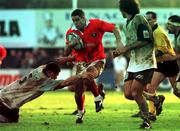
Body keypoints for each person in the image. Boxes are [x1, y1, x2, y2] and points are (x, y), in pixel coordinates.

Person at [64, 8, 123, 123]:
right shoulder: (71, 33)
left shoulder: (96, 24)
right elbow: (66, 52)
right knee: (77, 91)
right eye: (73, 21)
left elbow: (115, 28)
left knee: (87, 74)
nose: (76, 23)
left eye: (77, 20)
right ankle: (81, 111)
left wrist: (119, 42)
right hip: (81, 63)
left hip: (98, 60)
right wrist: (71, 45)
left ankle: (97, 97)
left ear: (84, 18)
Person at [113, 0, 157, 129]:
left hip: (146, 62)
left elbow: (145, 39)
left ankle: (147, 121)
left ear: (123, 9)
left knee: (136, 93)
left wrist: (126, 48)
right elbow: (132, 46)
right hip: (134, 63)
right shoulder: (127, 23)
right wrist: (121, 51)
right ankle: (155, 99)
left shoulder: (139, 19)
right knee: (128, 93)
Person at [0, 61, 82, 123]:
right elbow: (65, 83)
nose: (56, 77)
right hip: (5, 103)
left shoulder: (41, 68)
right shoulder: (42, 81)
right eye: (55, 75)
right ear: (50, 72)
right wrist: (81, 76)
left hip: (5, 95)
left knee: (14, 119)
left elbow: (49, 64)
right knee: (9, 119)